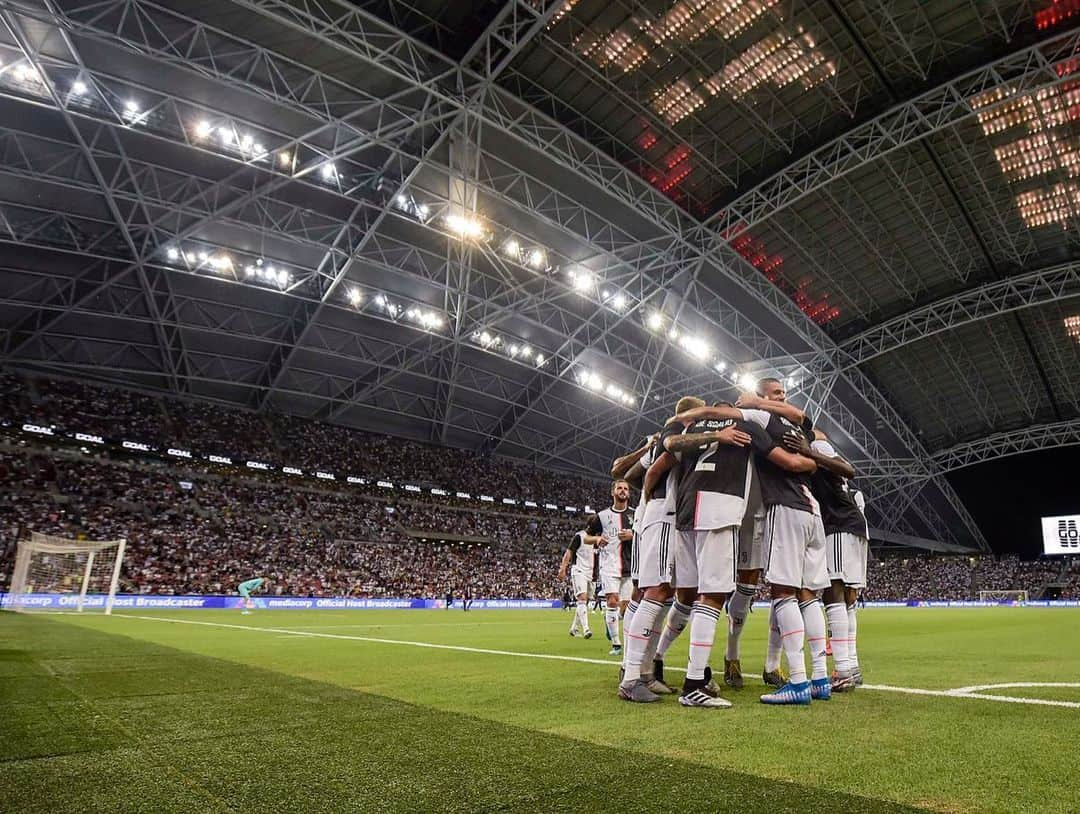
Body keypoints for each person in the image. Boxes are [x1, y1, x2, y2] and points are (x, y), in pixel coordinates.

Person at [784, 428, 863, 691]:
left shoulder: (820, 448)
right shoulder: (818, 450)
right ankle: (850, 667)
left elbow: (847, 470)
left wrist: (809, 449)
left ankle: (842, 670)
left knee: (834, 594)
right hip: (849, 524)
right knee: (846, 600)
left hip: (838, 523)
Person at [585, 480, 634, 657]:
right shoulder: (602, 516)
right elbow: (586, 538)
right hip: (609, 565)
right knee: (612, 600)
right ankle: (616, 644)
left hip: (630, 566)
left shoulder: (636, 515)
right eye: (619, 488)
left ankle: (612, 622)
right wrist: (597, 540)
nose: (623, 491)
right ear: (613, 492)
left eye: (626, 489)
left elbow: (646, 535)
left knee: (627, 607)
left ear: (629, 493)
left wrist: (633, 534)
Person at [558, 529, 595, 638]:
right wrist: (563, 568)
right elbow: (568, 552)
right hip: (579, 570)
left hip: (591, 573)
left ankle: (574, 628)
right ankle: (586, 629)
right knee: (582, 599)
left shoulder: (598, 538)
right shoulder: (579, 536)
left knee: (584, 601)